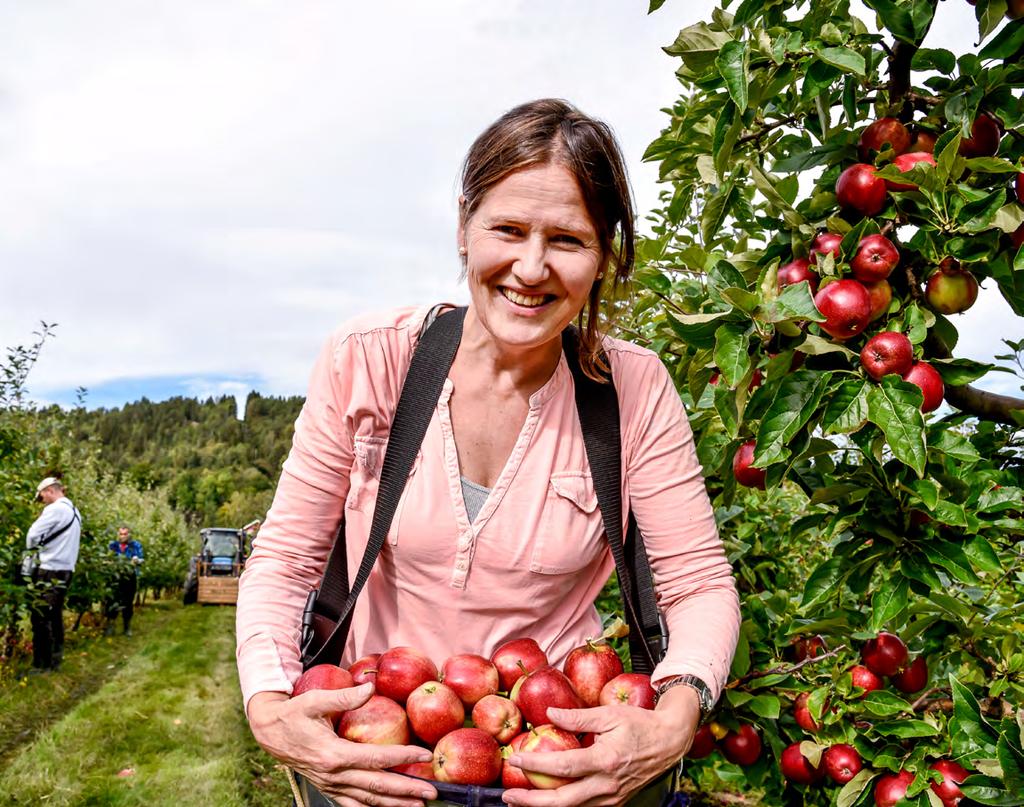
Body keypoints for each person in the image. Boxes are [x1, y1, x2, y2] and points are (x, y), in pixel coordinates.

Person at [237, 99, 741, 807]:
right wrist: (270, 706)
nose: (530, 267)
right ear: (464, 231)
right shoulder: (371, 362)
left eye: (567, 240)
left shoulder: (631, 389)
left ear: (604, 256)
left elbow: (697, 582)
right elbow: (286, 557)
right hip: (377, 754)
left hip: (553, 763)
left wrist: (678, 711)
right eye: (508, 229)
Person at [24, 476, 82, 673]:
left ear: (49, 490)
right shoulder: (75, 512)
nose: (42, 501)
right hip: (66, 569)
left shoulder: (55, 509)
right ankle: (56, 660)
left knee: (41, 616)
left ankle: (43, 665)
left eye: (41, 497)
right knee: (54, 614)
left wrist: (31, 553)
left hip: (49, 569)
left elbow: (32, 534)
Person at [106, 525, 144, 636]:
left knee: (128, 601)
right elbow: (107, 558)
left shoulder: (135, 545)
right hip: (115, 576)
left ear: (129, 535)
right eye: (121, 534)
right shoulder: (113, 545)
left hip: (129, 576)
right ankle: (110, 625)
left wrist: (137, 560)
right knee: (112, 600)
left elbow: (142, 559)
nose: (122, 536)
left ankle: (127, 627)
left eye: (125, 534)